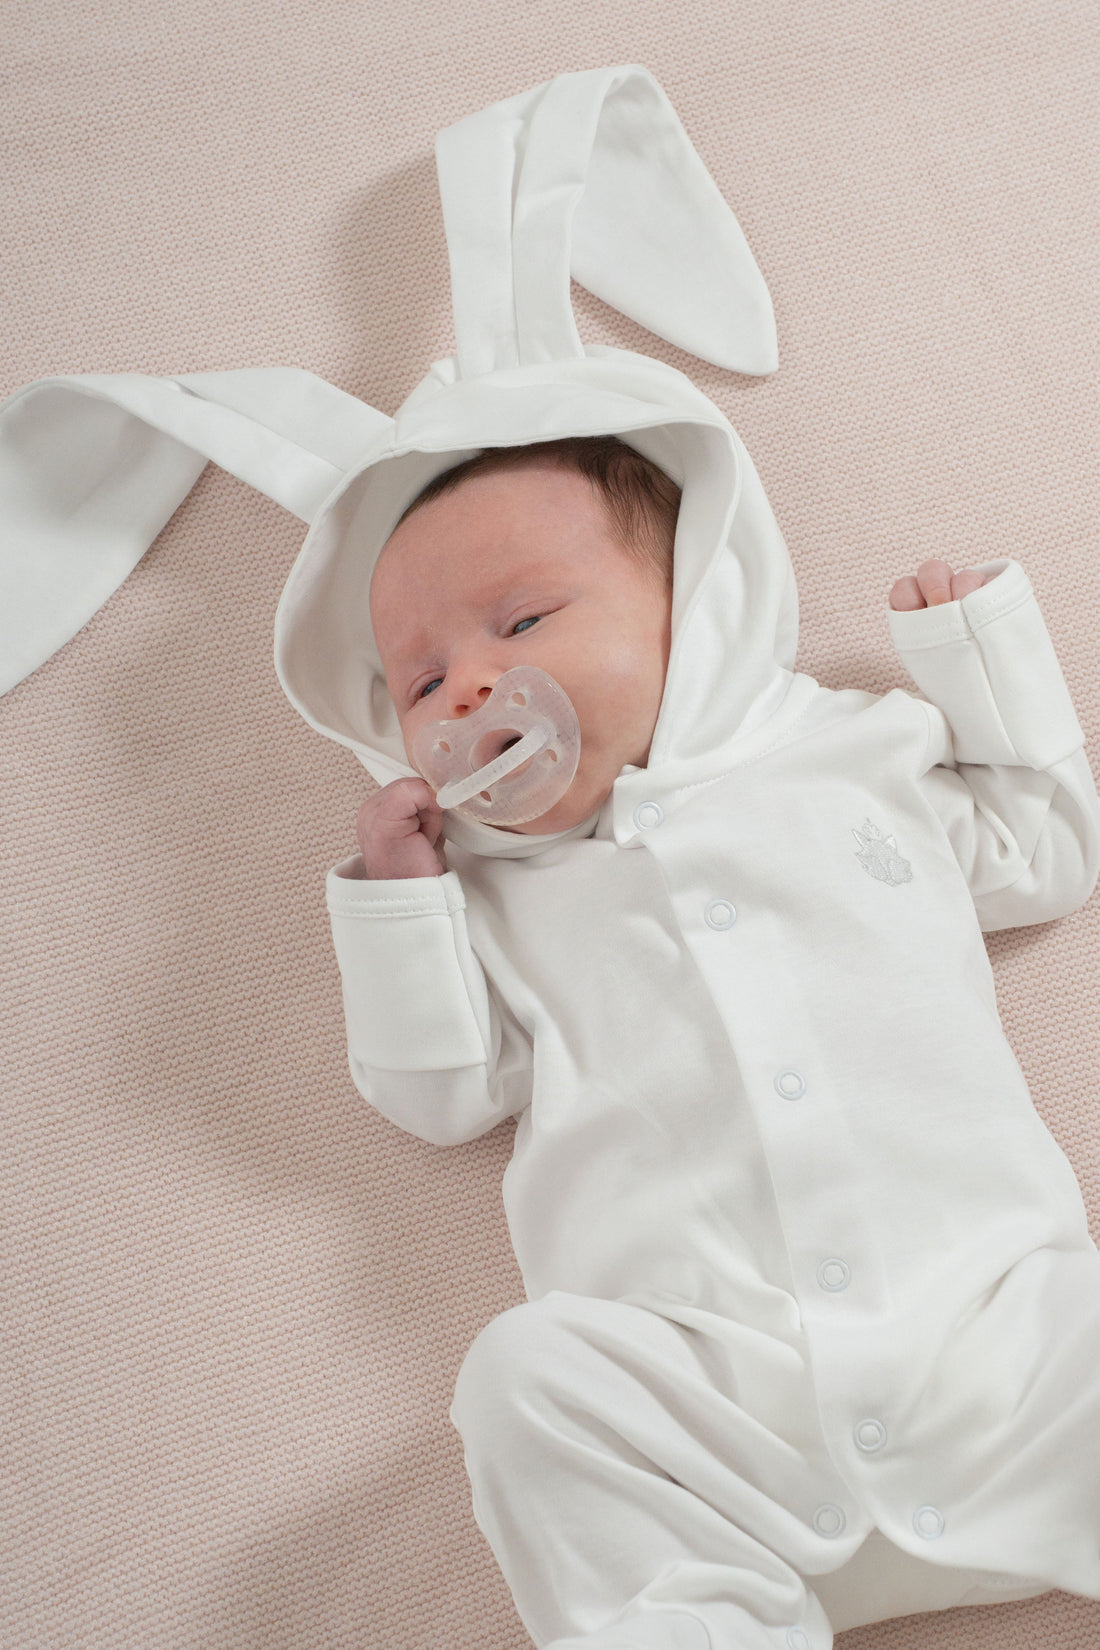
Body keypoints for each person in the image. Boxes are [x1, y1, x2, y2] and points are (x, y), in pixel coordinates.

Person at [323, 432, 1100, 1650]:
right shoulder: (490, 899)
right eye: (419, 685)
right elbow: (441, 1092)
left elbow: (1042, 851)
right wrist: (400, 901)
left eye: (521, 622)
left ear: (696, 599)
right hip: (722, 1435)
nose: (467, 686)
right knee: (521, 1381)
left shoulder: (853, 751)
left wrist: (972, 651)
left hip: (998, 1355)